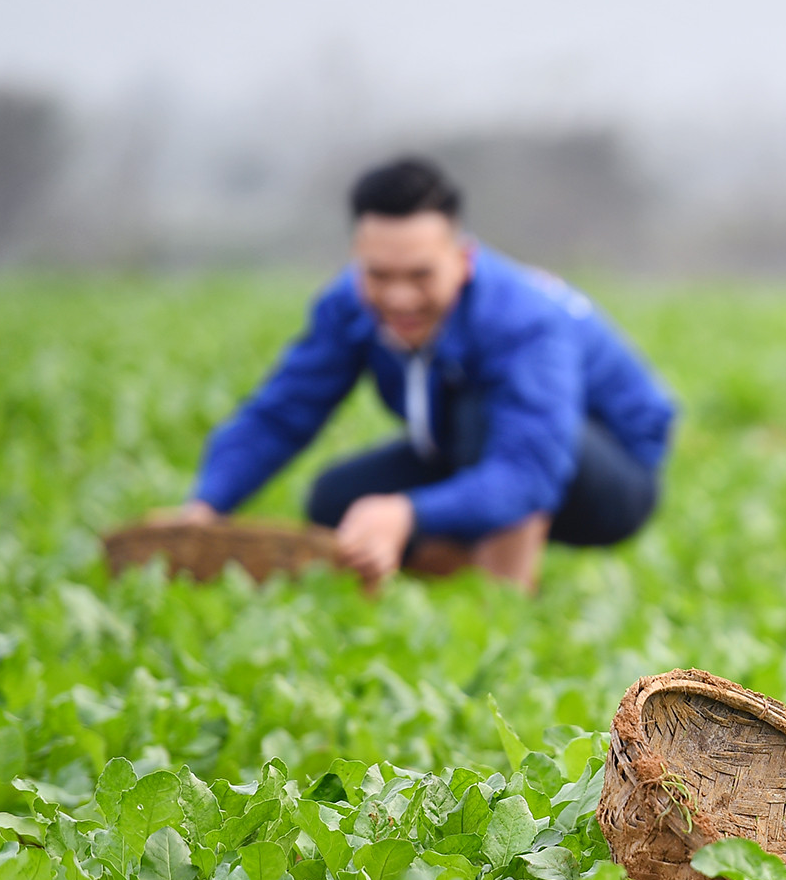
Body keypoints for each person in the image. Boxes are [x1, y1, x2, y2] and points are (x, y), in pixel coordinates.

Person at [178, 156, 676, 589]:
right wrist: (204, 506)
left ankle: (505, 599)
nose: (398, 297)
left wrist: (408, 513)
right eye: (378, 275)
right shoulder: (349, 305)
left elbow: (528, 472)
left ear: (461, 258)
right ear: (357, 262)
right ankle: (454, 566)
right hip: (466, 447)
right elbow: (283, 412)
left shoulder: (522, 319)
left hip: (611, 476)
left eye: (420, 275)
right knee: (336, 502)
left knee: (481, 414)